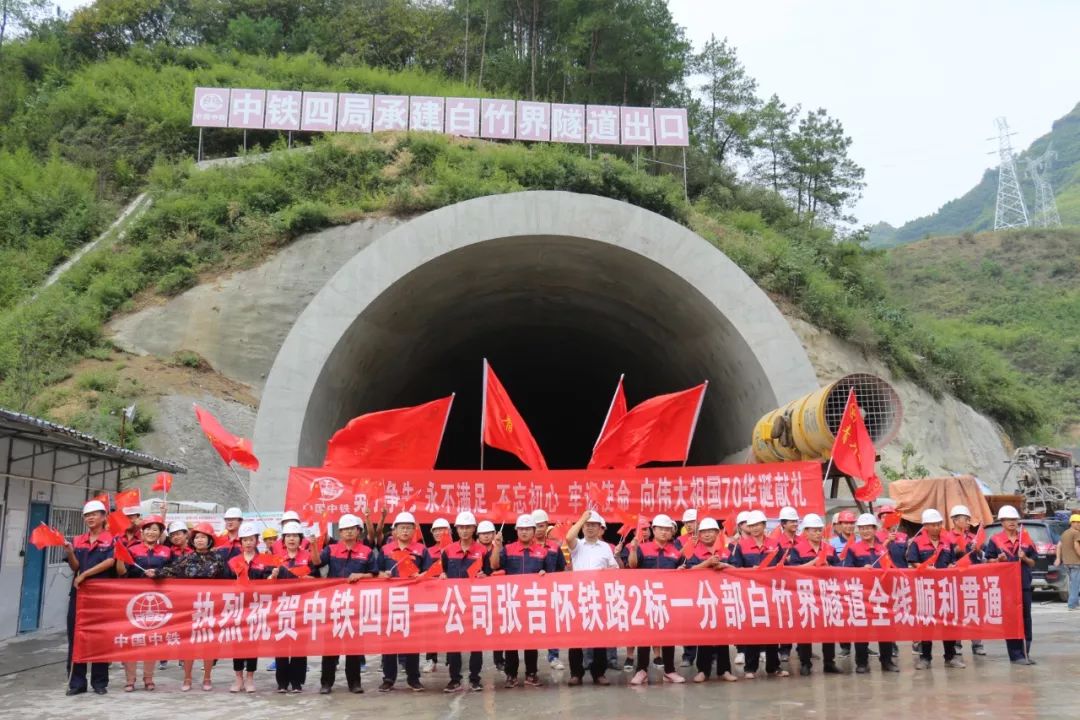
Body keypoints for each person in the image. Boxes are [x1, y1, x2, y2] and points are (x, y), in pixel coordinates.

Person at [154, 522, 226, 690]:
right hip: (190, 606)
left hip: (211, 606)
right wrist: (154, 573)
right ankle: (187, 678)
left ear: (210, 540)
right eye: (197, 538)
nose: (200, 540)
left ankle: (207, 678)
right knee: (189, 643)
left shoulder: (218, 559)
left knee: (209, 643)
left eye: (203, 537)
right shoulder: (186, 558)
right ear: (192, 540)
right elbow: (170, 571)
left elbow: (227, 580)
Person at [489, 513, 555, 687]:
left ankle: (531, 673)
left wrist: (544, 574)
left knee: (531, 640)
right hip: (512, 601)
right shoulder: (508, 549)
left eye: (528, 529)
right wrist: (496, 547)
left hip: (532, 602)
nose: (524, 532)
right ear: (517, 530)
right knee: (511, 639)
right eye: (521, 529)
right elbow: (494, 565)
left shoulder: (543, 552)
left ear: (534, 531)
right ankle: (511, 674)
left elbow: (551, 575)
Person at [317, 513, 376, 693]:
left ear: (358, 531)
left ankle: (355, 683)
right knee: (330, 645)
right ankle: (326, 683)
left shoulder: (367, 552)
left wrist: (361, 575)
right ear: (340, 532)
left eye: (352, 529)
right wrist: (313, 544)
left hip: (356, 605)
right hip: (334, 603)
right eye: (344, 530)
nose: (348, 532)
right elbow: (317, 563)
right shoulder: (331, 549)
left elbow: (375, 574)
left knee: (354, 645)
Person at [63, 499, 116, 696]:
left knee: (100, 637)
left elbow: (110, 561)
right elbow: (75, 567)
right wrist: (69, 552)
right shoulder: (78, 540)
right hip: (80, 595)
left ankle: (99, 682)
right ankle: (77, 682)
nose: (90, 518)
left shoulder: (112, 539)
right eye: (87, 515)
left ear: (103, 517)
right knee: (76, 637)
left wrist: (85, 575)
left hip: (102, 596)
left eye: (94, 514)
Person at [626, 513, 685, 685]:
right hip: (646, 598)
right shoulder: (643, 548)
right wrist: (634, 549)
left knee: (668, 636)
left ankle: (669, 670)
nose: (665, 532)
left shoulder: (675, 552)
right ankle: (641, 670)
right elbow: (633, 565)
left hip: (667, 599)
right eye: (661, 529)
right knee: (644, 635)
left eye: (668, 529)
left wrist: (682, 571)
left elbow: (683, 571)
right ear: (654, 530)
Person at [729, 510, 788, 679]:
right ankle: (750, 667)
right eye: (751, 525)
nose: (754, 528)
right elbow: (736, 568)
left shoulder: (775, 544)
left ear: (764, 525)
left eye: (758, 525)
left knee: (772, 631)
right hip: (750, 594)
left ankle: (773, 666)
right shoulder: (741, 545)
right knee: (752, 631)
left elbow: (783, 566)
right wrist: (750, 571)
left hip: (771, 593)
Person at [117, 515, 172, 691]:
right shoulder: (132, 549)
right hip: (133, 599)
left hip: (158, 599)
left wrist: (158, 573)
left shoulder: (166, 551)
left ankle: (148, 678)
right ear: (142, 531)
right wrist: (119, 557)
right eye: (147, 528)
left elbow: (172, 571)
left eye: (155, 529)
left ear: (160, 533)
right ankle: (130, 679)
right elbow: (122, 572)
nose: (150, 532)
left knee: (151, 639)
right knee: (131, 639)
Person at [378, 511, 431, 692]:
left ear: (414, 530)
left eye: (409, 528)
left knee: (412, 640)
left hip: (412, 600)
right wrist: (380, 574)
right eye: (402, 528)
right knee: (389, 640)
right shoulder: (385, 550)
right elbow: (374, 571)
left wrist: (421, 575)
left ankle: (413, 678)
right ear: (394, 531)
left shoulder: (421, 550)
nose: (405, 531)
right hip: (390, 600)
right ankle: (388, 678)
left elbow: (430, 572)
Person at [565, 510, 619, 686]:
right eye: (587, 525)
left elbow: (615, 569)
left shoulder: (606, 548)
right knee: (575, 637)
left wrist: (608, 571)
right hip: (578, 595)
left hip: (599, 596)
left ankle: (599, 673)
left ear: (600, 528)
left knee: (599, 636)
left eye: (593, 525)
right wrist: (582, 518)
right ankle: (576, 673)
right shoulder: (578, 545)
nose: (589, 528)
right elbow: (568, 537)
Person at [906, 509, 961, 669]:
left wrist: (952, 565)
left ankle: (950, 657)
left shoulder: (947, 542)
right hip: (926, 589)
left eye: (938, 524)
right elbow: (913, 562)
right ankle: (925, 658)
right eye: (933, 524)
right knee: (926, 624)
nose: (937, 527)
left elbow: (952, 560)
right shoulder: (917, 542)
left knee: (948, 623)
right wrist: (924, 567)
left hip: (945, 588)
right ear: (925, 526)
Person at [844, 513, 899, 673]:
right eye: (862, 528)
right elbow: (846, 571)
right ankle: (861, 663)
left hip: (883, 594)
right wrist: (861, 570)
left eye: (868, 528)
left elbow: (894, 567)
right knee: (862, 630)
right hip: (862, 595)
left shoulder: (884, 547)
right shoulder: (853, 548)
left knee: (886, 629)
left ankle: (887, 661)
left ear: (875, 529)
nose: (865, 531)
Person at [787, 513, 842, 676]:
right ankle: (805, 663)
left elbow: (840, 570)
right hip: (806, 593)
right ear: (806, 532)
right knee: (806, 627)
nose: (818, 533)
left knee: (829, 628)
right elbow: (793, 571)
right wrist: (812, 563)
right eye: (814, 530)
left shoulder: (829, 549)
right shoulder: (797, 550)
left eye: (819, 530)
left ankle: (829, 662)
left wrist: (828, 565)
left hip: (826, 592)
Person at [684, 517, 737, 683]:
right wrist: (706, 563)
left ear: (717, 533)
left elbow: (739, 569)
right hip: (702, 597)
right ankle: (703, 670)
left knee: (723, 635)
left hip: (723, 596)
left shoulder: (727, 551)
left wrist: (725, 566)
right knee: (704, 634)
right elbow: (688, 571)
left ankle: (724, 670)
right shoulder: (693, 550)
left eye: (710, 531)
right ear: (699, 534)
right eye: (703, 532)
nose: (707, 535)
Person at [223, 522, 273, 693]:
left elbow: (270, 583)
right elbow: (225, 583)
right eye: (245, 540)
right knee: (237, 642)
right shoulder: (233, 561)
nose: (248, 543)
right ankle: (238, 678)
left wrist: (271, 577)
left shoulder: (265, 560)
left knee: (252, 643)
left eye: (251, 539)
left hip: (257, 607)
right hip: (237, 607)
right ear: (240, 542)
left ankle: (250, 678)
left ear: (257, 540)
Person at [983, 505, 1037, 664]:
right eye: (1008, 520)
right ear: (1002, 522)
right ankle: (1015, 655)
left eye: (1014, 519)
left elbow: (1033, 562)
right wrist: (998, 560)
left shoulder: (1025, 539)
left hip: (1024, 583)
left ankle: (1025, 652)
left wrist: (1025, 558)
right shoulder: (995, 540)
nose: (1012, 522)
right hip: (1006, 586)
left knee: (1026, 618)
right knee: (1011, 619)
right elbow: (988, 562)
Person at [440, 511, 487, 692]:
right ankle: (454, 679)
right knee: (454, 643)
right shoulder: (448, 551)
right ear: (456, 529)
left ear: (474, 529)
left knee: (476, 643)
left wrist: (486, 575)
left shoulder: (482, 550)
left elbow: (490, 572)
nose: (465, 531)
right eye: (461, 527)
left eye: (468, 527)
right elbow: (442, 572)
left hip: (475, 602)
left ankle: (475, 678)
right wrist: (443, 575)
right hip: (454, 602)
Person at [273, 520, 314, 693]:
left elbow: (318, 578)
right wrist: (273, 575)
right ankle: (282, 682)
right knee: (281, 643)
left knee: (299, 643)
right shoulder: (276, 558)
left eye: (295, 536)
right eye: (288, 536)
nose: (291, 539)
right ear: (283, 539)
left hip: (301, 605)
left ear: (300, 539)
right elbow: (266, 583)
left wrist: (305, 578)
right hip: (281, 606)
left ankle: (297, 682)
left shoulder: (307, 557)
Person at [531, 508, 567, 671]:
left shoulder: (554, 547)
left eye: (542, 525)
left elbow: (561, 569)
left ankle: (553, 657)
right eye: (536, 525)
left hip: (550, 592)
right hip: (530, 593)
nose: (539, 529)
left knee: (552, 625)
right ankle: (530, 664)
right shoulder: (525, 547)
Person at [948, 504, 985, 657]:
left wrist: (977, 549)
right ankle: (956, 644)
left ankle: (977, 644)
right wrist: (959, 549)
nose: (968, 522)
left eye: (969, 519)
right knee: (956, 613)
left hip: (972, 580)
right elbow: (947, 555)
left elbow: (981, 557)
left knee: (974, 611)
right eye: (965, 519)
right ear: (955, 521)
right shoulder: (948, 537)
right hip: (955, 580)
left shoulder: (972, 537)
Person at [422, 517, 453, 673]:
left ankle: (451, 659)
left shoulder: (455, 549)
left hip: (452, 594)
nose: (440, 533)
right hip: (432, 594)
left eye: (443, 529)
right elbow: (424, 572)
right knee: (432, 628)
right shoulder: (427, 551)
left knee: (452, 625)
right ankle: (431, 659)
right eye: (436, 530)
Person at [774, 506, 800, 662]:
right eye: (791, 521)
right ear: (783, 524)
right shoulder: (776, 542)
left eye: (796, 521)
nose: (795, 524)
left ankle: (803, 648)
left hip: (799, 584)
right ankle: (784, 649)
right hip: (783, 584)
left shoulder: (803, 539)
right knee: (785, 617)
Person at [1058, 513, 1080, 610]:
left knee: (1073, 584)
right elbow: (1077, 546)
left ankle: (1075, 602)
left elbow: (1059, 546)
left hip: (1066, 563)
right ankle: (1072, 605)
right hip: (1075, 562)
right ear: (1072, 523)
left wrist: (1058, 558)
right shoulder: (1076, 533)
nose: (1079, 524)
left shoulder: (1064, 533)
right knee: (1075, 584)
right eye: (1077, 522)